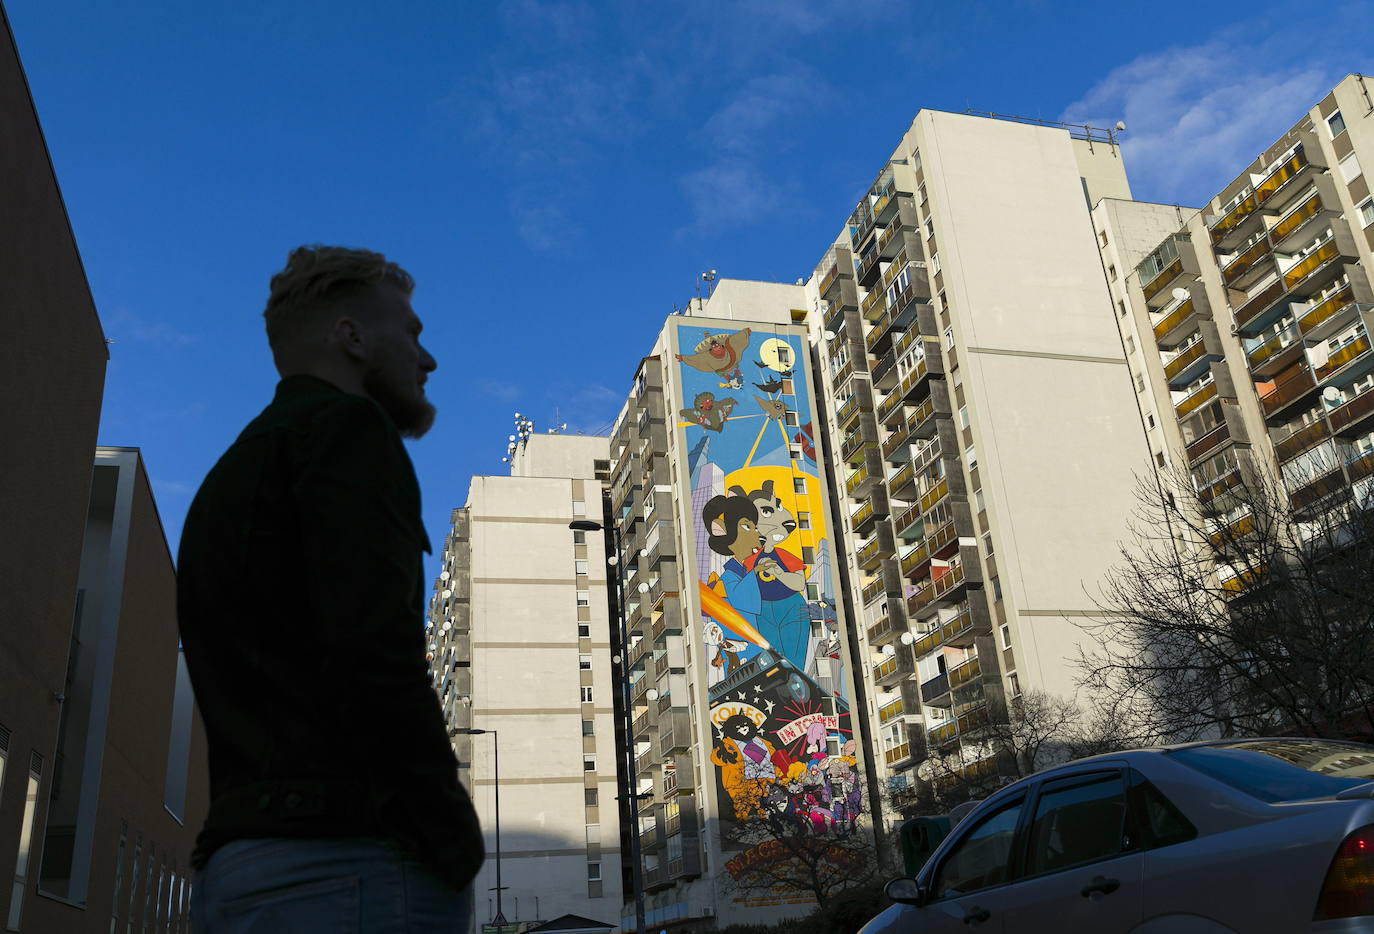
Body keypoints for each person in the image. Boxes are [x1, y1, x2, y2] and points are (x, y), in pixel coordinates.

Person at [177, 245, 483, 932]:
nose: (427, 360)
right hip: (350, 867)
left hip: (237, 866)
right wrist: (452, 838)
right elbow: (375, 648)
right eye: (412, 333)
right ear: (350, 337)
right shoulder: (348, 430)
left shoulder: (230, 475)